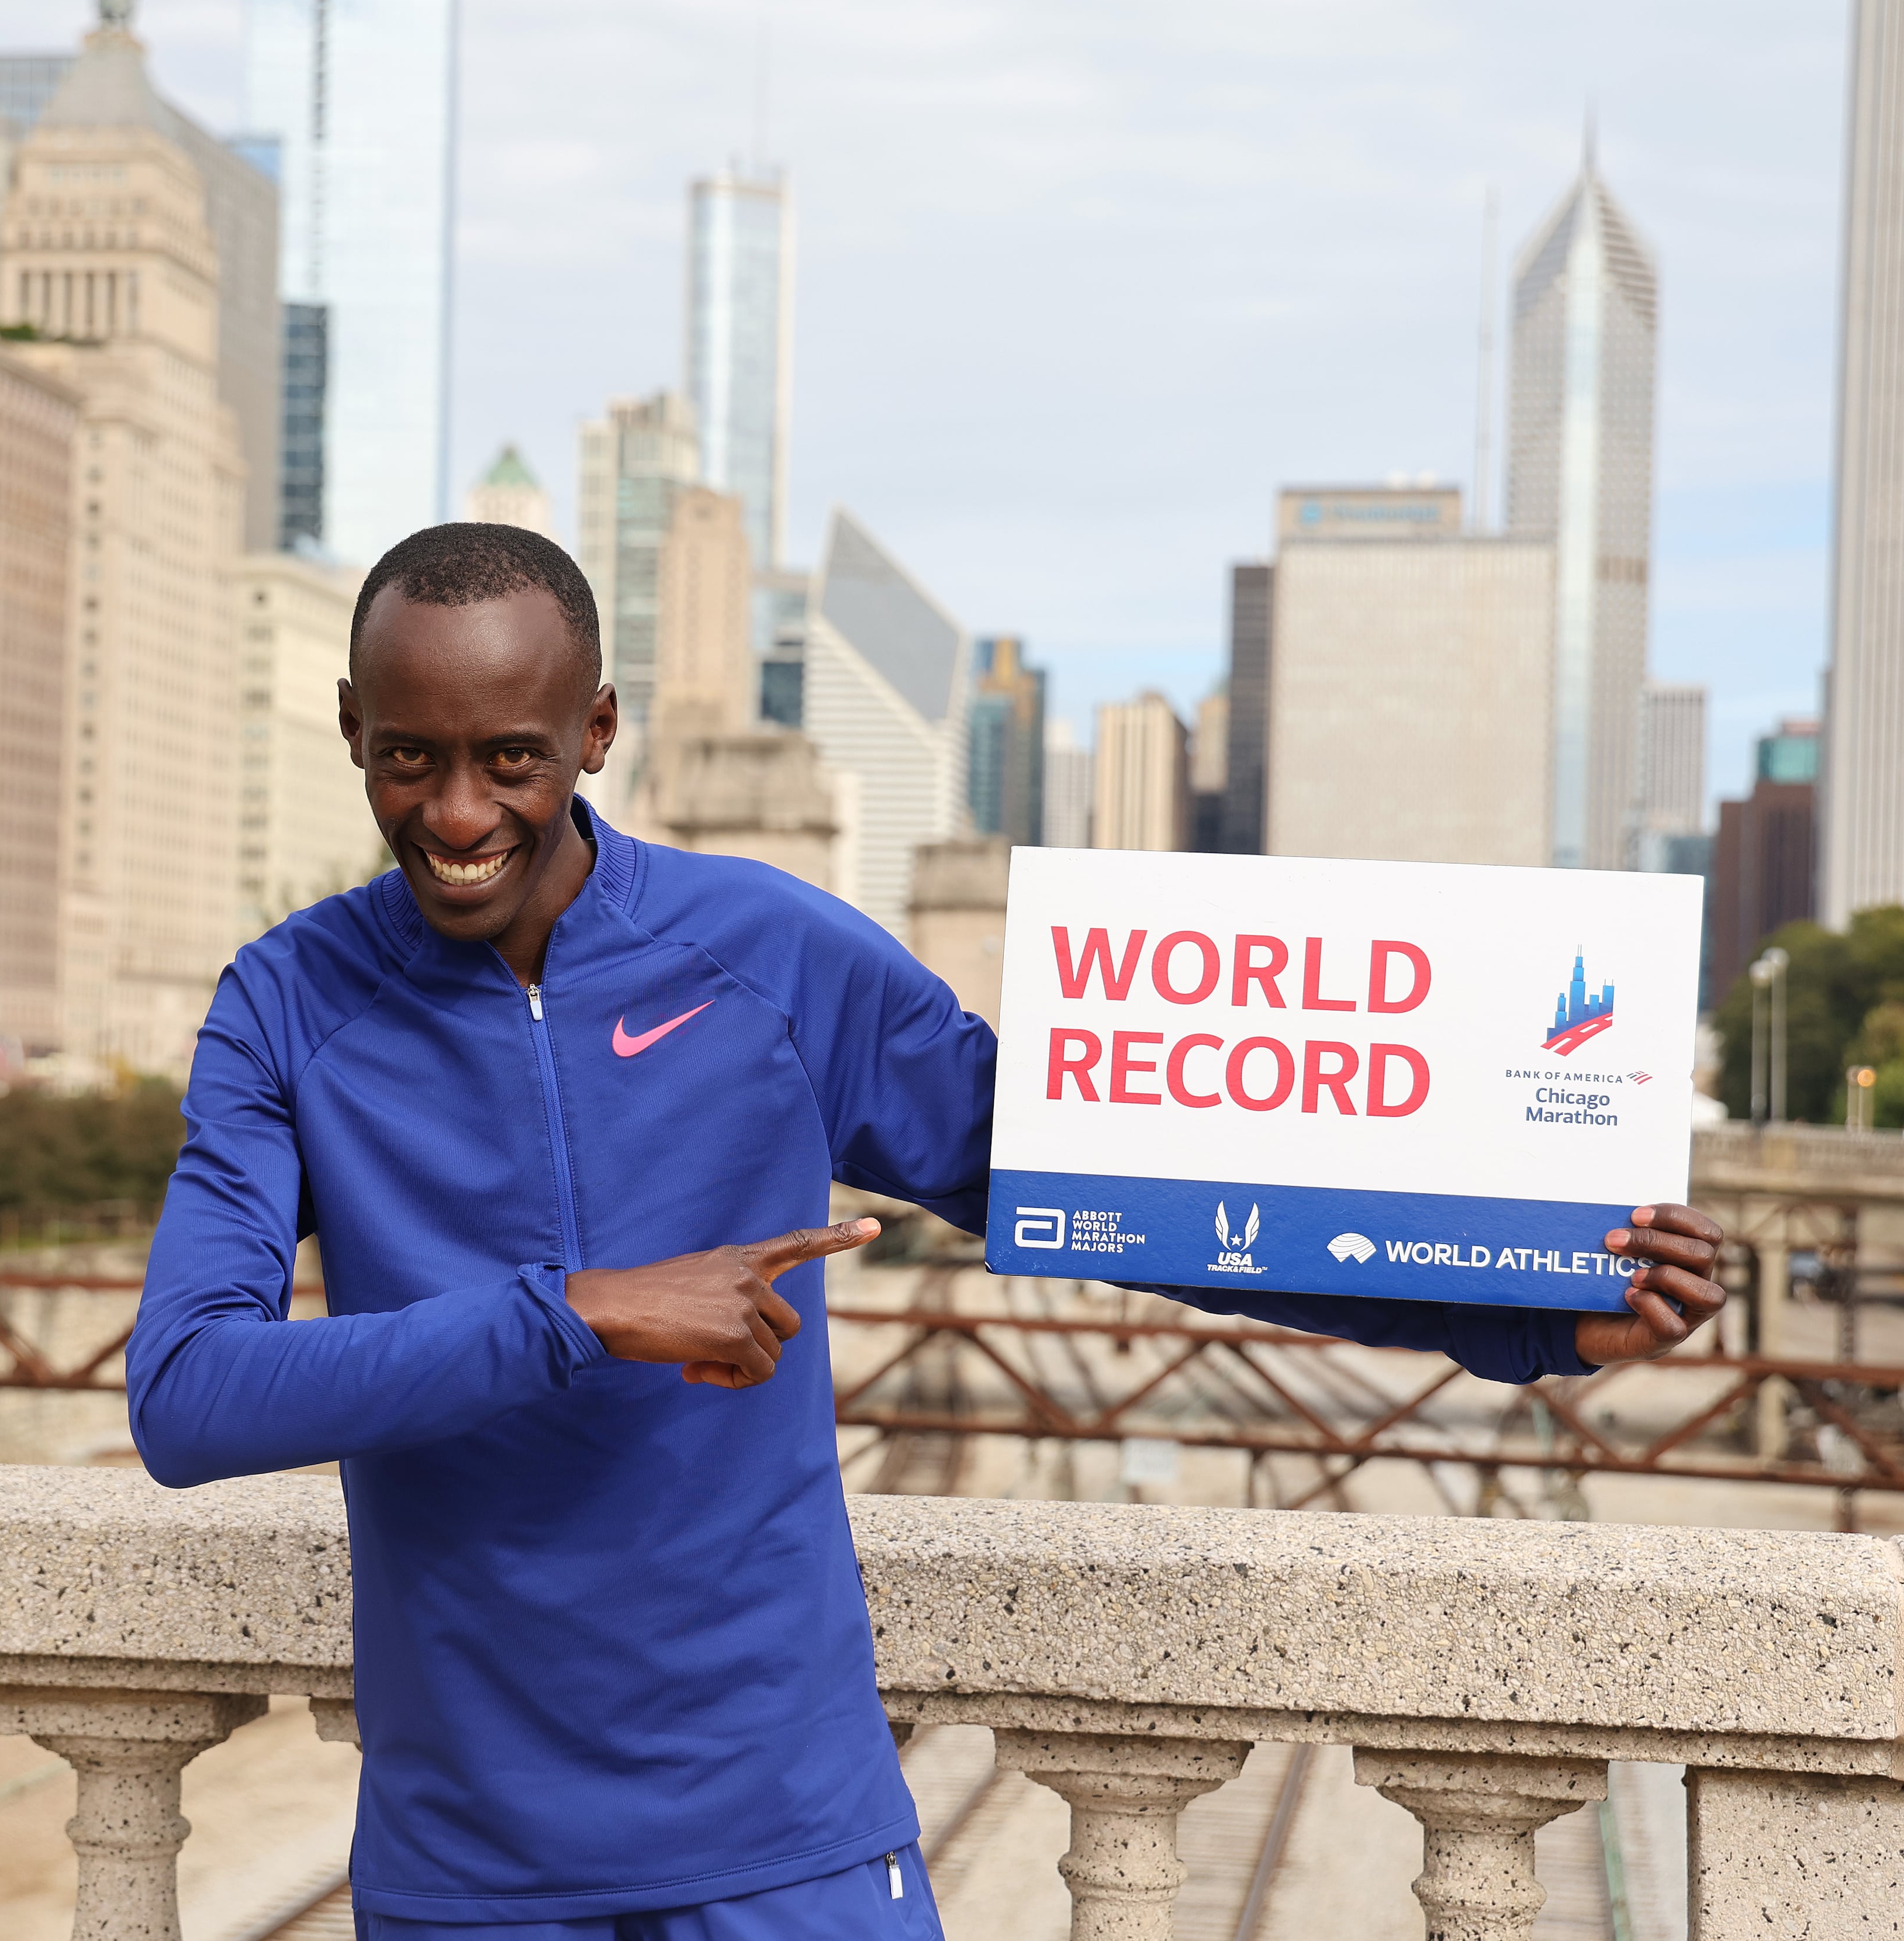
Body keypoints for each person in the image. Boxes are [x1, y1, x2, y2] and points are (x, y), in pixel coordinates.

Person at [126, 523, 1728, 1940]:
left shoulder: (772, 957)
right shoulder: (286, 1006)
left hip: (789, 1832)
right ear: (351, 731)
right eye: (410, 757)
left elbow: (1122, 1189)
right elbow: (189, 1398)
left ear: (596, 731)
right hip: (465, 1861)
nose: (458, 810)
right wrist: (582, 1312)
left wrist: (1518, 1304)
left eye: (512, 758)